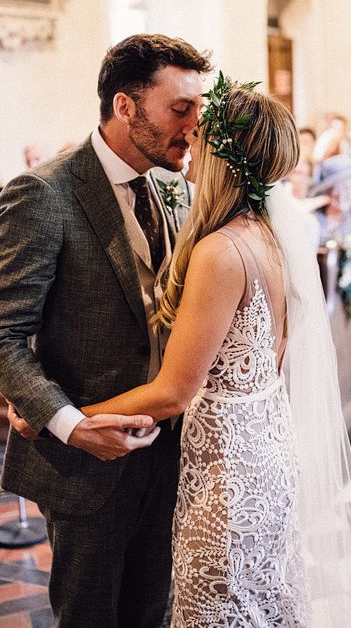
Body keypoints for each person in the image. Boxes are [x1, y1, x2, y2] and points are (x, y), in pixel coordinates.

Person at [77, 78, 351, 626]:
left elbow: (175, 391)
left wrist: (69, 419)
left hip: (228, 481)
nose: (189, 142)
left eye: (201, 135)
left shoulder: (220, 252)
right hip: (266, 456)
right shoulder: (267, 235)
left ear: (225, 153)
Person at [0, 33, 211, 627]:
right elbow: (4, 334)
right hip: (84, 464)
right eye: (180, 109)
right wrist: (71, 426)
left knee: (151, 613)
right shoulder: (44, 193)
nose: (194, 127)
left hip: (167, 451)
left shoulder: (175, 186)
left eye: (198, 109)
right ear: (125, 106)